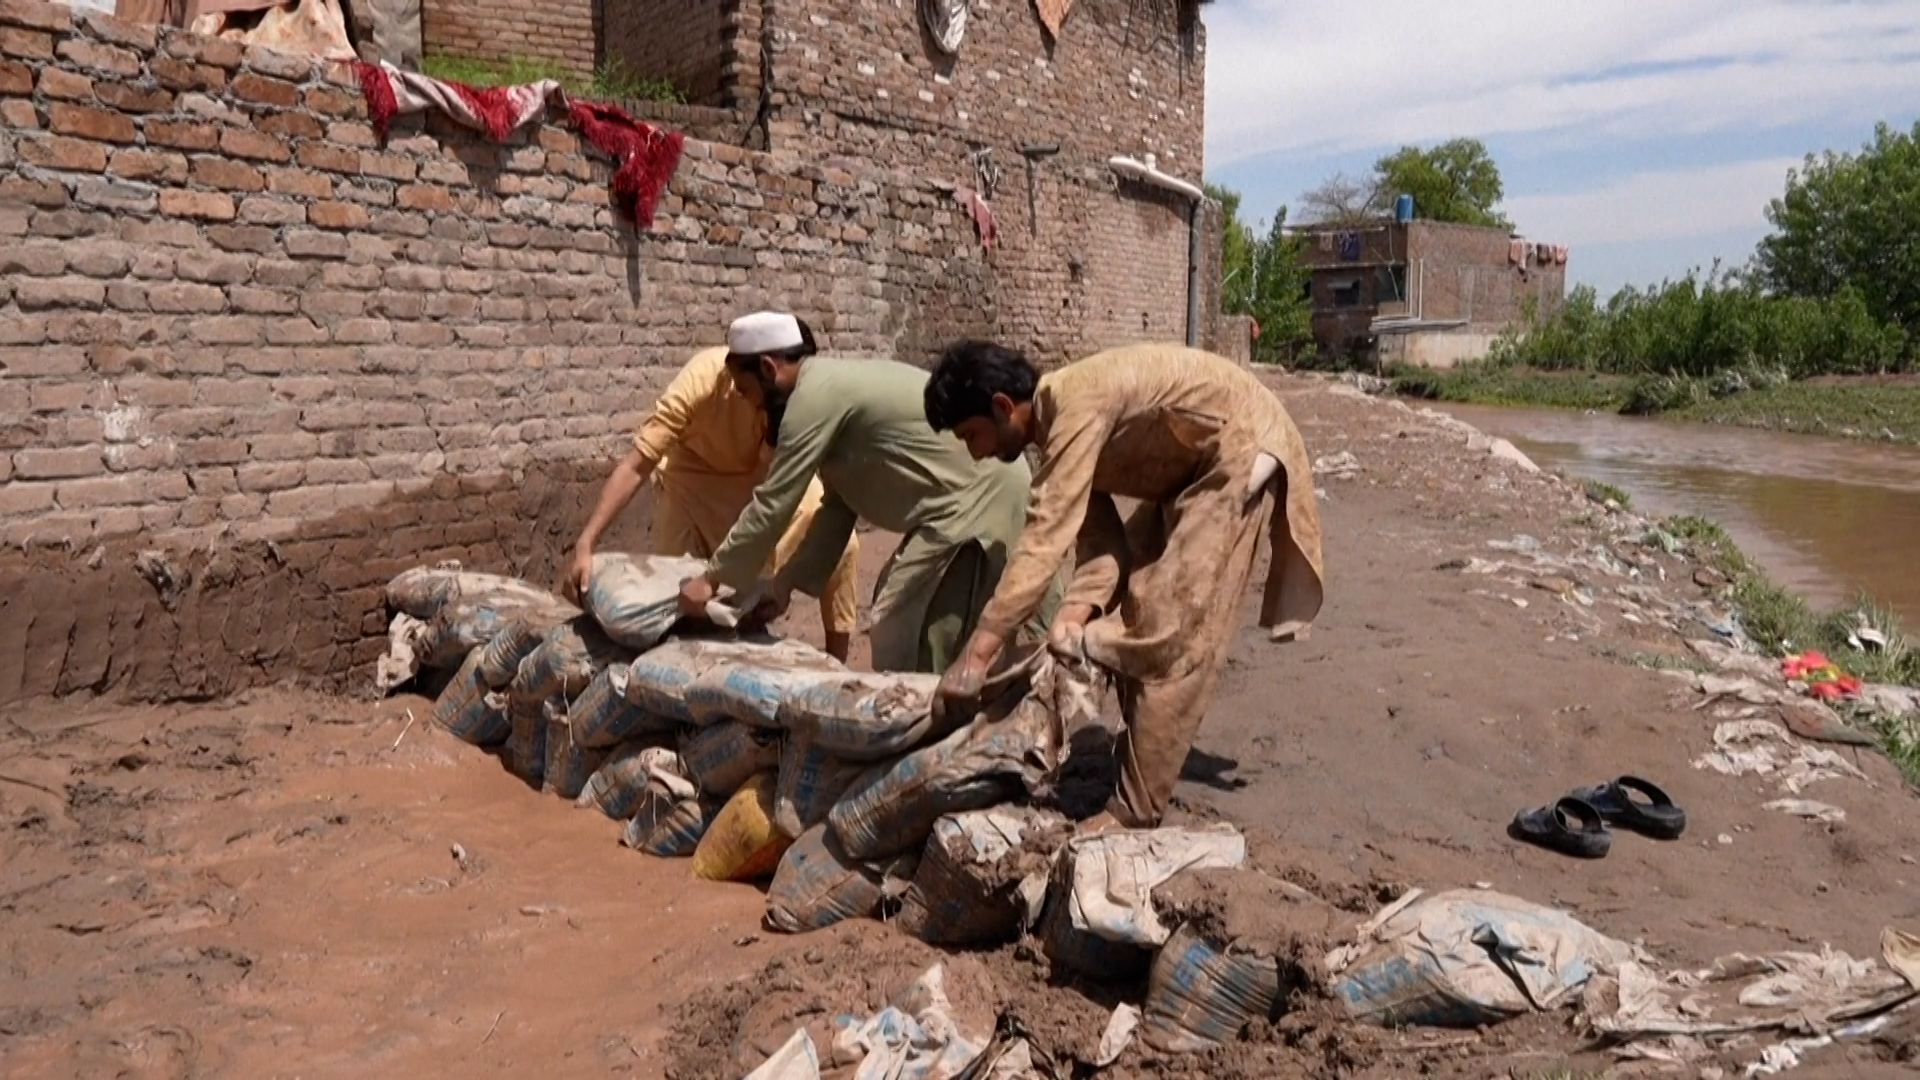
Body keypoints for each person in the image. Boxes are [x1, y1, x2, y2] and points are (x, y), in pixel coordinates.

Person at [923, 341, 1326, 829]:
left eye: (971, 435)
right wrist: (1072, 620)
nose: (976, 454)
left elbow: (1042, 543)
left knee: (1167, 631)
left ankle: (1135, 809)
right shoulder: (1060, 435)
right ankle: (1133, 765)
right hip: (1187, 474)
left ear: (1003, 407)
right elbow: (1104, 551)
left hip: (1236, 448)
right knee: (1136, 584)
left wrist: (976, 657)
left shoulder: (1075, 405)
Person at [675, 312, 1055, 672]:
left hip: (980, 494)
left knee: (914, 623)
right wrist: (784, 584)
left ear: (768, 370)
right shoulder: (826, 391)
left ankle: (940, 721)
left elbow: (774, 502)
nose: (749, 404)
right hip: (970, 495)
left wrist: (711, 578)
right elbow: (839, 508)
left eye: (745, 390)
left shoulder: (811, 399)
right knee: (910, 625)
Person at [565, 340, 860, 661]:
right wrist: (586, 541)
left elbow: (785, 485)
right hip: (692, 487)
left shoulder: (791, 394)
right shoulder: (701, 380)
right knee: (681, 604)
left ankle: (837, 664)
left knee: (843, 545)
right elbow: (638, 463)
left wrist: (784, 582)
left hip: (767, 483)